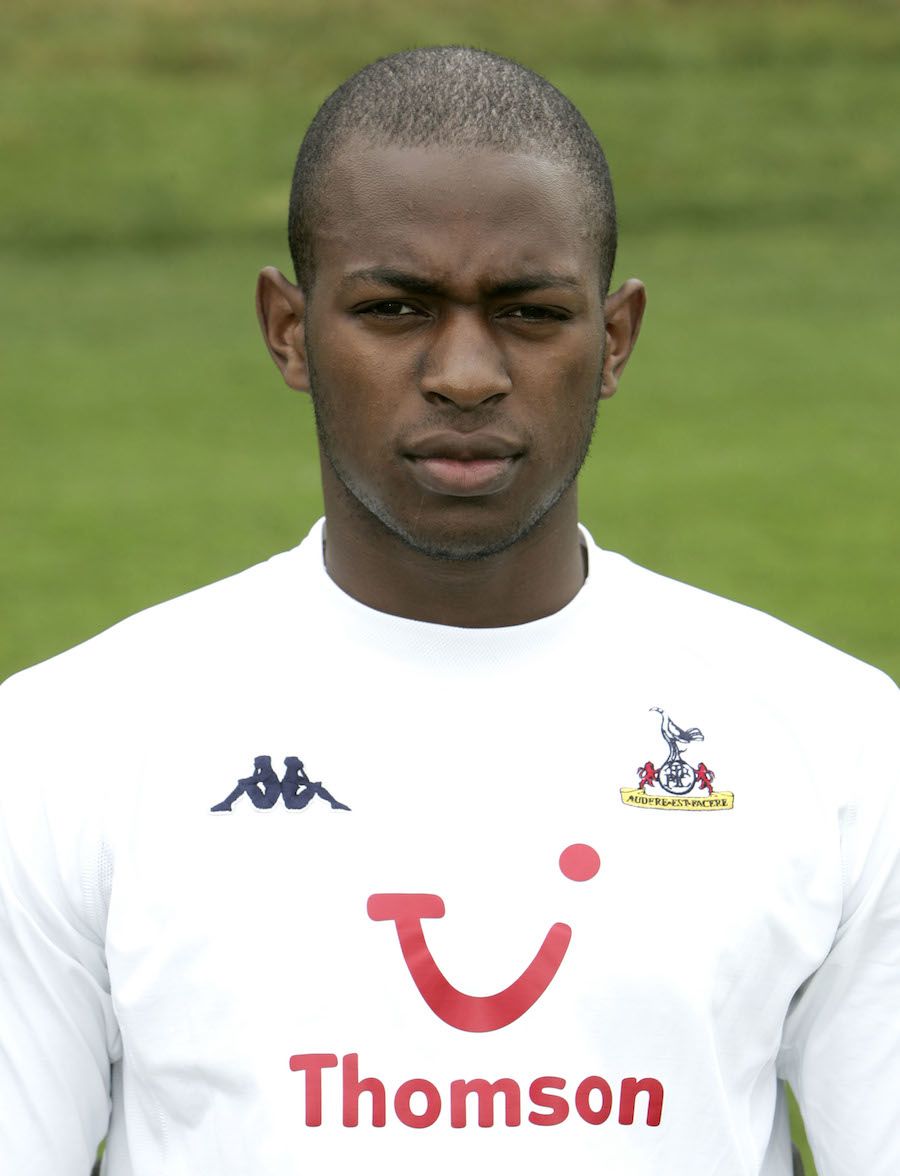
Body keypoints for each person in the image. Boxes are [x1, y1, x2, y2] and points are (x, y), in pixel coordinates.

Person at [0, 46, 896, 1176]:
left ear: (614, 339)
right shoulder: (68, 746)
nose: (466, 374)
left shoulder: (836, 742)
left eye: (529, 312)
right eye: (394, 308)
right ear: (289, 330)